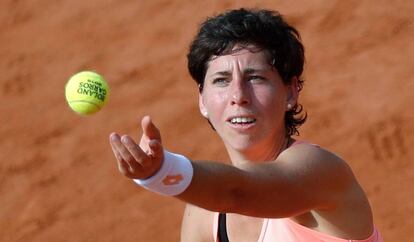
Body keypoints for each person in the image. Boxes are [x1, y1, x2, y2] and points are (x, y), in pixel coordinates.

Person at [109, 8, 383, 242]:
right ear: (202, 100)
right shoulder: (203, 218)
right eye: (221, 80)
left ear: (290, 93)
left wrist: (161, 172)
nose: (238, 96)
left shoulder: (318, 170)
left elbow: (236, 193)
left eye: (255, 77)